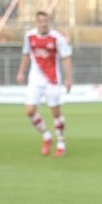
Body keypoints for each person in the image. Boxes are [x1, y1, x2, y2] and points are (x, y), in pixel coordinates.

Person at [16, 11, 72, 157]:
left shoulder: (57, 38)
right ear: (36, 22)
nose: (43, 23)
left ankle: (61, 144)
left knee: (55, 112)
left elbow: (66, 57)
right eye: (40, 21)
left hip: (52, 79)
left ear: (49, 22)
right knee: (29, 111)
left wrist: (68, 78)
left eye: (45, 21)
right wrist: (21, 72)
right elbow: (26, 54)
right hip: (35, 79)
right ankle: (46, 137)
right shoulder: (29, 36)